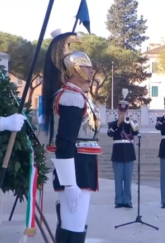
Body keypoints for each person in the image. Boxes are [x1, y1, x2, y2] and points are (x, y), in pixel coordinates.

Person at [42, 29, 102, 243]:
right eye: (87, 66)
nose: (92, 70)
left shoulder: (78, 96)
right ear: (75, 69)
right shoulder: (71, 98)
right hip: (75, 165)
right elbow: (64, 142)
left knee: (75, 223)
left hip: (82, 163)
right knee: (73, 226)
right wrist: (69, 183)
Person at [107, 88, 138, 208]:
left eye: (124, 111)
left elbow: (136, 132)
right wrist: (118, 124)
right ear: (118, 111)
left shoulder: (132, 122)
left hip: (129, 152)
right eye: (121, 111)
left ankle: (127, 200)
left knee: (128, 179)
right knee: (118, 179)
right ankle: (118, 200)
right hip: (118, 152)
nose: (122, 113)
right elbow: (110, 134)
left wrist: (129, 122)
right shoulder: (113, 124)